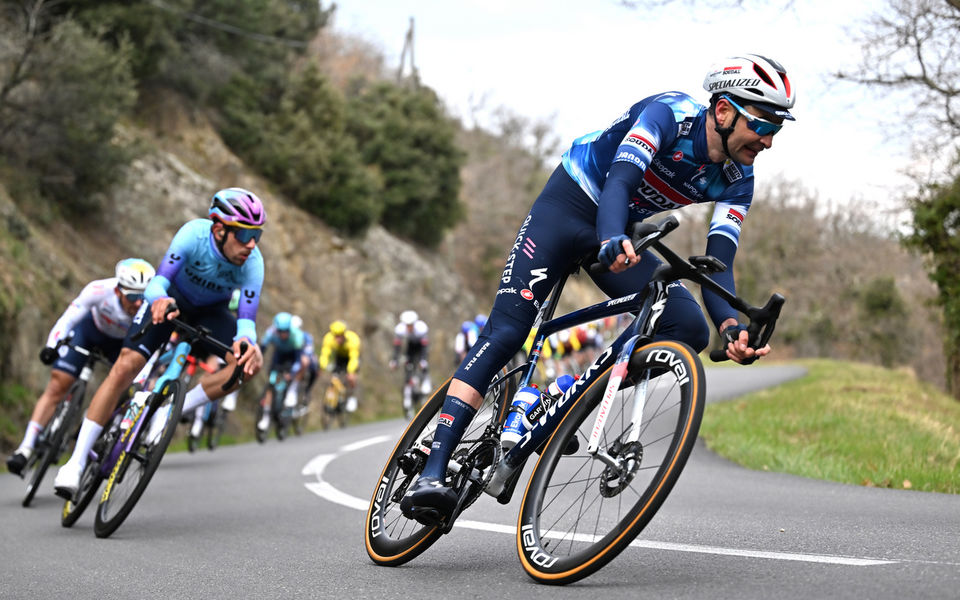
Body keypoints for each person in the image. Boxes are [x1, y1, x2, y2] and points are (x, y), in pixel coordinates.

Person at [400, 54, 791, 522]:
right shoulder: (668, 114)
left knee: (686, 327)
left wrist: (731, 325)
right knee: (506, 333)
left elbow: (717, 263)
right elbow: (620, 180)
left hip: (618, 230)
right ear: (724, 112)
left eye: (778, 128)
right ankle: (433, 471)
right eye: (763, 123)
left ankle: (567, 400)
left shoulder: (738, 178)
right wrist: (611, 237)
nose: (768, 140)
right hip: (570, 208)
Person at [53, 187, 266, 496]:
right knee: (126, 366)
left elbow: (246, 320)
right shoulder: (193, 235)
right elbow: (159, 282)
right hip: (172, 299)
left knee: (245, 366)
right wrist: (158, 300)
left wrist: (248, 342)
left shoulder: (253, 263)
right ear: (219, 229)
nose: (251, 244)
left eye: (257, 235)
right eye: (244, 234)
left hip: (211, 312)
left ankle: (176, 410)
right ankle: (74, 463)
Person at [5, 258, 156, 476]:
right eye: (133, 296)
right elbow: (68, 319)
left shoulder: (150, 306)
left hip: (121, 345)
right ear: (118, 290)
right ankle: (26, 447)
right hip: (89, 333)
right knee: (59, 385)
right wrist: (52, 345)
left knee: (122, 387)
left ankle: (90, 422)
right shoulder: (98, 290)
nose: (137, 304)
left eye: (142, 297)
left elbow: (147, 350)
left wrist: (139, 380)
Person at [256, 311, 306, 433]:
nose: (283, 334)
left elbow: (299, 360)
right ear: (276, 329)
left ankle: (291, 393)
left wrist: (292, 373)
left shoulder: (297, 335)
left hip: (292, 356)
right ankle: (266, 416)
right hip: (278, 355)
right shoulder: (271, 332)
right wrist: (257, 361)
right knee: (271, 383)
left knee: (291, 376)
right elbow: (262, 349)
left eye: (286, 331)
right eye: (280, 331)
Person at [389, 310, 432, 415]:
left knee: (423, 364)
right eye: (407, 325)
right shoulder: (400, 329)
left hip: (421, 347)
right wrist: (394, 360)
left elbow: (425, 347)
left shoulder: (421, 328)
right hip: (410, 348)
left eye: (411, 325)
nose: (409, 327)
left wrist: (423, 360)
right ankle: (408, 399)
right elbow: (397, 347)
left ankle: (426, 380)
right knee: (408, 365)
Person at [318, 319, 361, 411]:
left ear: (344, 334)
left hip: (351, 357)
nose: (338, 339)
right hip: (339, 357)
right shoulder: (328, 338)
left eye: (340, 336)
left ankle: (352, 397)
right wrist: (322, 367)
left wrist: (351, 371)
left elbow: (354, 358)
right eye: (336, 336)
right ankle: (334, 398)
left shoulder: (353, 339)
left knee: (351, 377)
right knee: (334, 377)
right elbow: (325, 354)